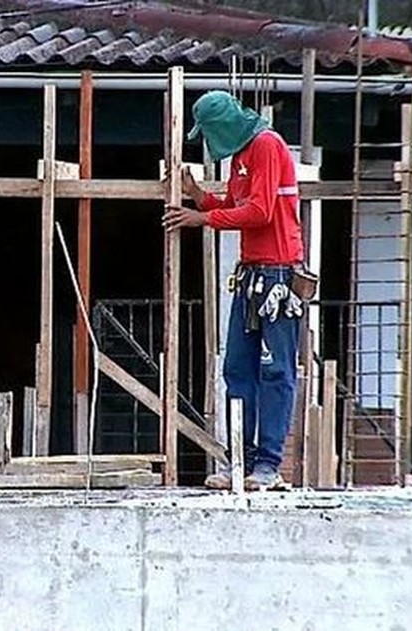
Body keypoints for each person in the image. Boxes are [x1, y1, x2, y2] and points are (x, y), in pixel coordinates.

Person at [162, 91, 306, 491]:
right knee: (237, 369)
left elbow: (259, 212)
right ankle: (238, 460)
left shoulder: (266, 146)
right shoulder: (243, 155)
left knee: (275, 370)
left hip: (278, 275)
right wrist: (197, 196)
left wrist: (201, 218)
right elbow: (234, 203)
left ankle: (268, 465)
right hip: (252, 275)